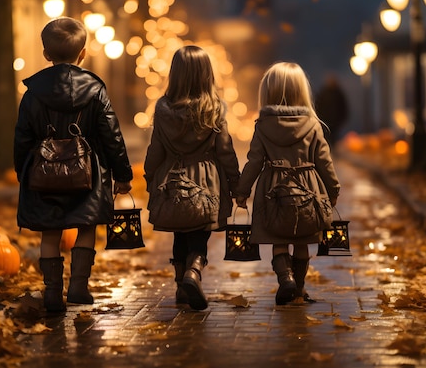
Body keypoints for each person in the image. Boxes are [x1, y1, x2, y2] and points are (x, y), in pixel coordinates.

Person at [14, 17, 133, 312]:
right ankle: (79, 287)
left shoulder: (32, 93)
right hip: (88, 171)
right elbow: (111, 134)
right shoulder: (95, 90)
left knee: (50, 231)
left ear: (46, 54)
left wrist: (23, 171)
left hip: (44, 172)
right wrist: (122, 174)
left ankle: (52, 292)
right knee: (86, 225)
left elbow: (22, 137)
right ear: (83, 53)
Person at [144, 45, 240, 311]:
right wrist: (235, 182)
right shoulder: (214, 109)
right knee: (199, 231)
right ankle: (193, 273)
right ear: (206, 75)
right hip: (205, 180)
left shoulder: (163, 110)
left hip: (171, 178)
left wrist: (149, 174)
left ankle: (180, 285)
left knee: (179, 231)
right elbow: (225, 150)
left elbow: (156, 149)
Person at [235, 62, 340, 304]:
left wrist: (242, 190)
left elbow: (254, 161)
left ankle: (285, 280)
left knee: (279, 238)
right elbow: (324, 161)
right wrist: (333, 189)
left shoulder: (262, 126)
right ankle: (300, 289)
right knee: (302, 240)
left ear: (268, 91)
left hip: (273, 189)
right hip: (308, 189)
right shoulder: (312, 125)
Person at [314, 74, 349, 147]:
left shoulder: (335, 94)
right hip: (327, 124)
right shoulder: (324, 93)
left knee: (331, 143)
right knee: (327, 142)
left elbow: (344, 109)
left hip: (333, 125)